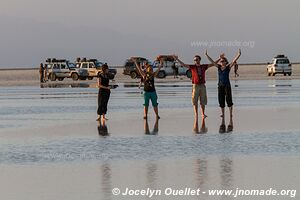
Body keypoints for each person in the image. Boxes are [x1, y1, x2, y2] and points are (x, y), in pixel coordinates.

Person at [173, 55, 219, 119]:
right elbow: (183, 64)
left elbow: (213, 64)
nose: (195, 61)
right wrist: (177, 59)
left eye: (197, 59)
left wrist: (219, 58)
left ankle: (203, 113)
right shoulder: (192, 67)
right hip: (195, 85)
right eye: (194, 60)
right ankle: (196, 114)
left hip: (202, 85)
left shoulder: (203, 66)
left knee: (203, 100)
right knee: (195, 100)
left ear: (199, 60)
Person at [205, 49, 241, 120]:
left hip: (227, 86)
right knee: (221, 100)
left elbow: (234, 61)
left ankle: (230, 113)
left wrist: (239, 54)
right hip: (220, 86)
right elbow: (212, 61)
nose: (222, 62)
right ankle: (223, 113)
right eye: (221, 61)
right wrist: (206, 55)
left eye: (223, 61)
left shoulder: (228, 67)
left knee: (229, 100)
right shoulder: (218, 67)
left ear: (225, 62)